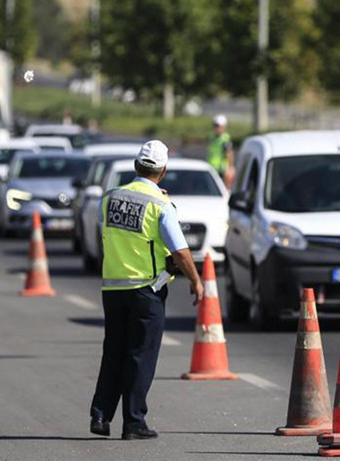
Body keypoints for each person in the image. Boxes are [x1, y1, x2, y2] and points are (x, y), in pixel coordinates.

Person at [90, 140, 204, 440]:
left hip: (113, 287)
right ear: (163, 171)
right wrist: (196, 280)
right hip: (146, 289)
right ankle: (133, 422)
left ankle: (100, 414)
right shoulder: (160, 206)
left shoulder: (110, 198)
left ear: (135, 166)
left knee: (113, 352)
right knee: (140, 355)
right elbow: (179, 251)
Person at [206, 114, 235, 188]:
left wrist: (230, 167)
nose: (216, 128)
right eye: (215, 125)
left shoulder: (225, 138)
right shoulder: (211, 136)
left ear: (223, 127)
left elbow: (229, 153)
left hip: (221, 169)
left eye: (218, 126)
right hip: (211, 167)